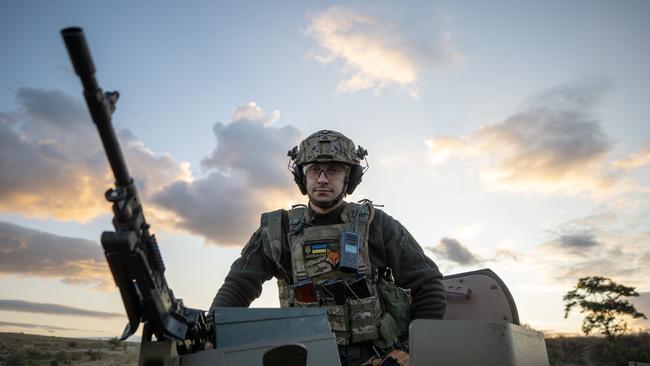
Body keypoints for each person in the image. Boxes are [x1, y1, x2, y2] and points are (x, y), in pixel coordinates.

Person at [210, 130, 446, 366]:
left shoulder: (377, 225)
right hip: (305, 358)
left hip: (375, 359)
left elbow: (428, 284)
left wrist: (411, 350)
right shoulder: (277, 230)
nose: (322, 178)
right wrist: (210, 334)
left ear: (349, 178)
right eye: (314, 169)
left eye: (333, 169)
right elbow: (239, 286)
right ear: (302, 177)